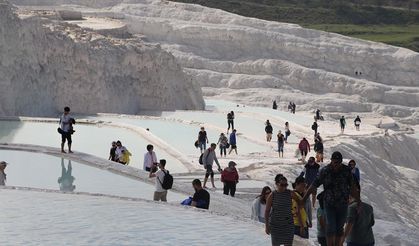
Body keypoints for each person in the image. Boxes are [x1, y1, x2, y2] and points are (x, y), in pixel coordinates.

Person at [303, 151, 360, 246]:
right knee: (330, 227)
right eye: (334, 162)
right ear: (331, 161)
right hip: (329, 203)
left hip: (343, 203)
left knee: (339, 228)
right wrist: (304, 198)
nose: (336, 165)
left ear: (341, 162)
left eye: (338, 162)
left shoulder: (346, 171)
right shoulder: (325, 171)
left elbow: (353, 187)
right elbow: (314, 185)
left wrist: (358, 200)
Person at [265, 175, 303, 246]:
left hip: (288, 225)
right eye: (282, 185)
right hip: (275, 226)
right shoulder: (272, 195)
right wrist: (267, 226)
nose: (284, 187)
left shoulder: (290, 193)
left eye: (286, 185)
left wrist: (297, 210)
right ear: (276, 184)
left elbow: (299, 202)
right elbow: (267, 211)